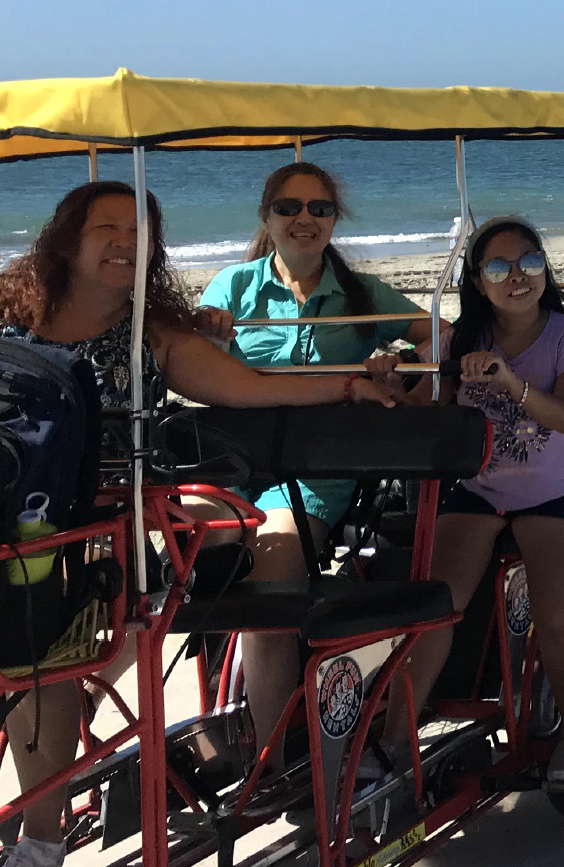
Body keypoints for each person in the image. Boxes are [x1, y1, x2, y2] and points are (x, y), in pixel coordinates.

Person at [0, 182, 399, 867]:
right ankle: (37, 817)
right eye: (106, 228)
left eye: (139, 233)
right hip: (7, 520)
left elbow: (245, 387)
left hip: (113, 524)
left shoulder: (150, 325)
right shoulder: (0, 308)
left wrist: (343, 385)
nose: (124, 243)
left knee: (73, 642)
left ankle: (41, 834)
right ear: (66, 235)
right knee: (34, 647)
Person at [195, 163, 439, 764]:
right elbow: (192, 362)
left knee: (270, 569)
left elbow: (440, 335)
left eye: (319, 209)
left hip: (314, 476)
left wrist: (399, 357)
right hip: (234, 465)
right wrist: (208, 334)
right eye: (289, 207)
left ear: (334, 220)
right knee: (163, 551)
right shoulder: (232, 288)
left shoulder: (360, 295)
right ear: (267, 216)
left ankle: (272, 764)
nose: (304, 219)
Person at [381, 217, 564, 793]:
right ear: (478, 282)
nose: (517, 278)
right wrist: (390, 377)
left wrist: (510, 380)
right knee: (434, 607)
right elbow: (421, 410)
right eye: (499, 268)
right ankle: (391, 740)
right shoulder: (463, 341)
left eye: (530, 263)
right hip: (482, 488)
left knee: (556, 615)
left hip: (562, 489)